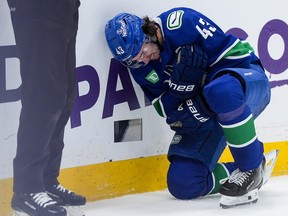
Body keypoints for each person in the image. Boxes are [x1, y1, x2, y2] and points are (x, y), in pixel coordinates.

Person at [104, 7, 272, 208]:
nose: (143, 60)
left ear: (148, 33)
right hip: (207, 112)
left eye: (143, 52)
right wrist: (184, 93)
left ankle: (250, 167)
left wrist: (198, 90)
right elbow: (169, 112)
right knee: (183, 183)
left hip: (244, 82)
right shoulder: (140, 69)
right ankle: (254, 164)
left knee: (220, 90)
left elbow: (233, 56)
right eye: (134, 61)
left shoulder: (181, 22)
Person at [7, 0, 86, 215]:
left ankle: (46, 181)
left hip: (64, 6)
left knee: (65, 94)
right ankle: (27, 189)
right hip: (36, 6)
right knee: (44, 95)